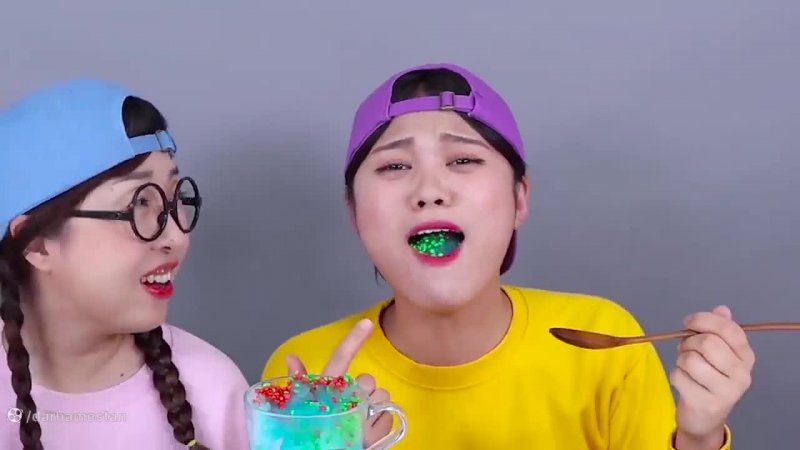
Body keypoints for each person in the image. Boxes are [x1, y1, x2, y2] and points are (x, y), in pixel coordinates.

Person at [261, 63, 756, 449]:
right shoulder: (307, 377)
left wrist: (698, 439)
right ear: (354, 212)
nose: (430, 190)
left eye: (463, 160)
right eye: (394, 166)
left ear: (520, 198)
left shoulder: (606, 342)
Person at [0, 79, 249, 449]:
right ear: (36, 245)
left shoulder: (215, 391)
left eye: (174, 199)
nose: (177, 237)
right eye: (139, 204)